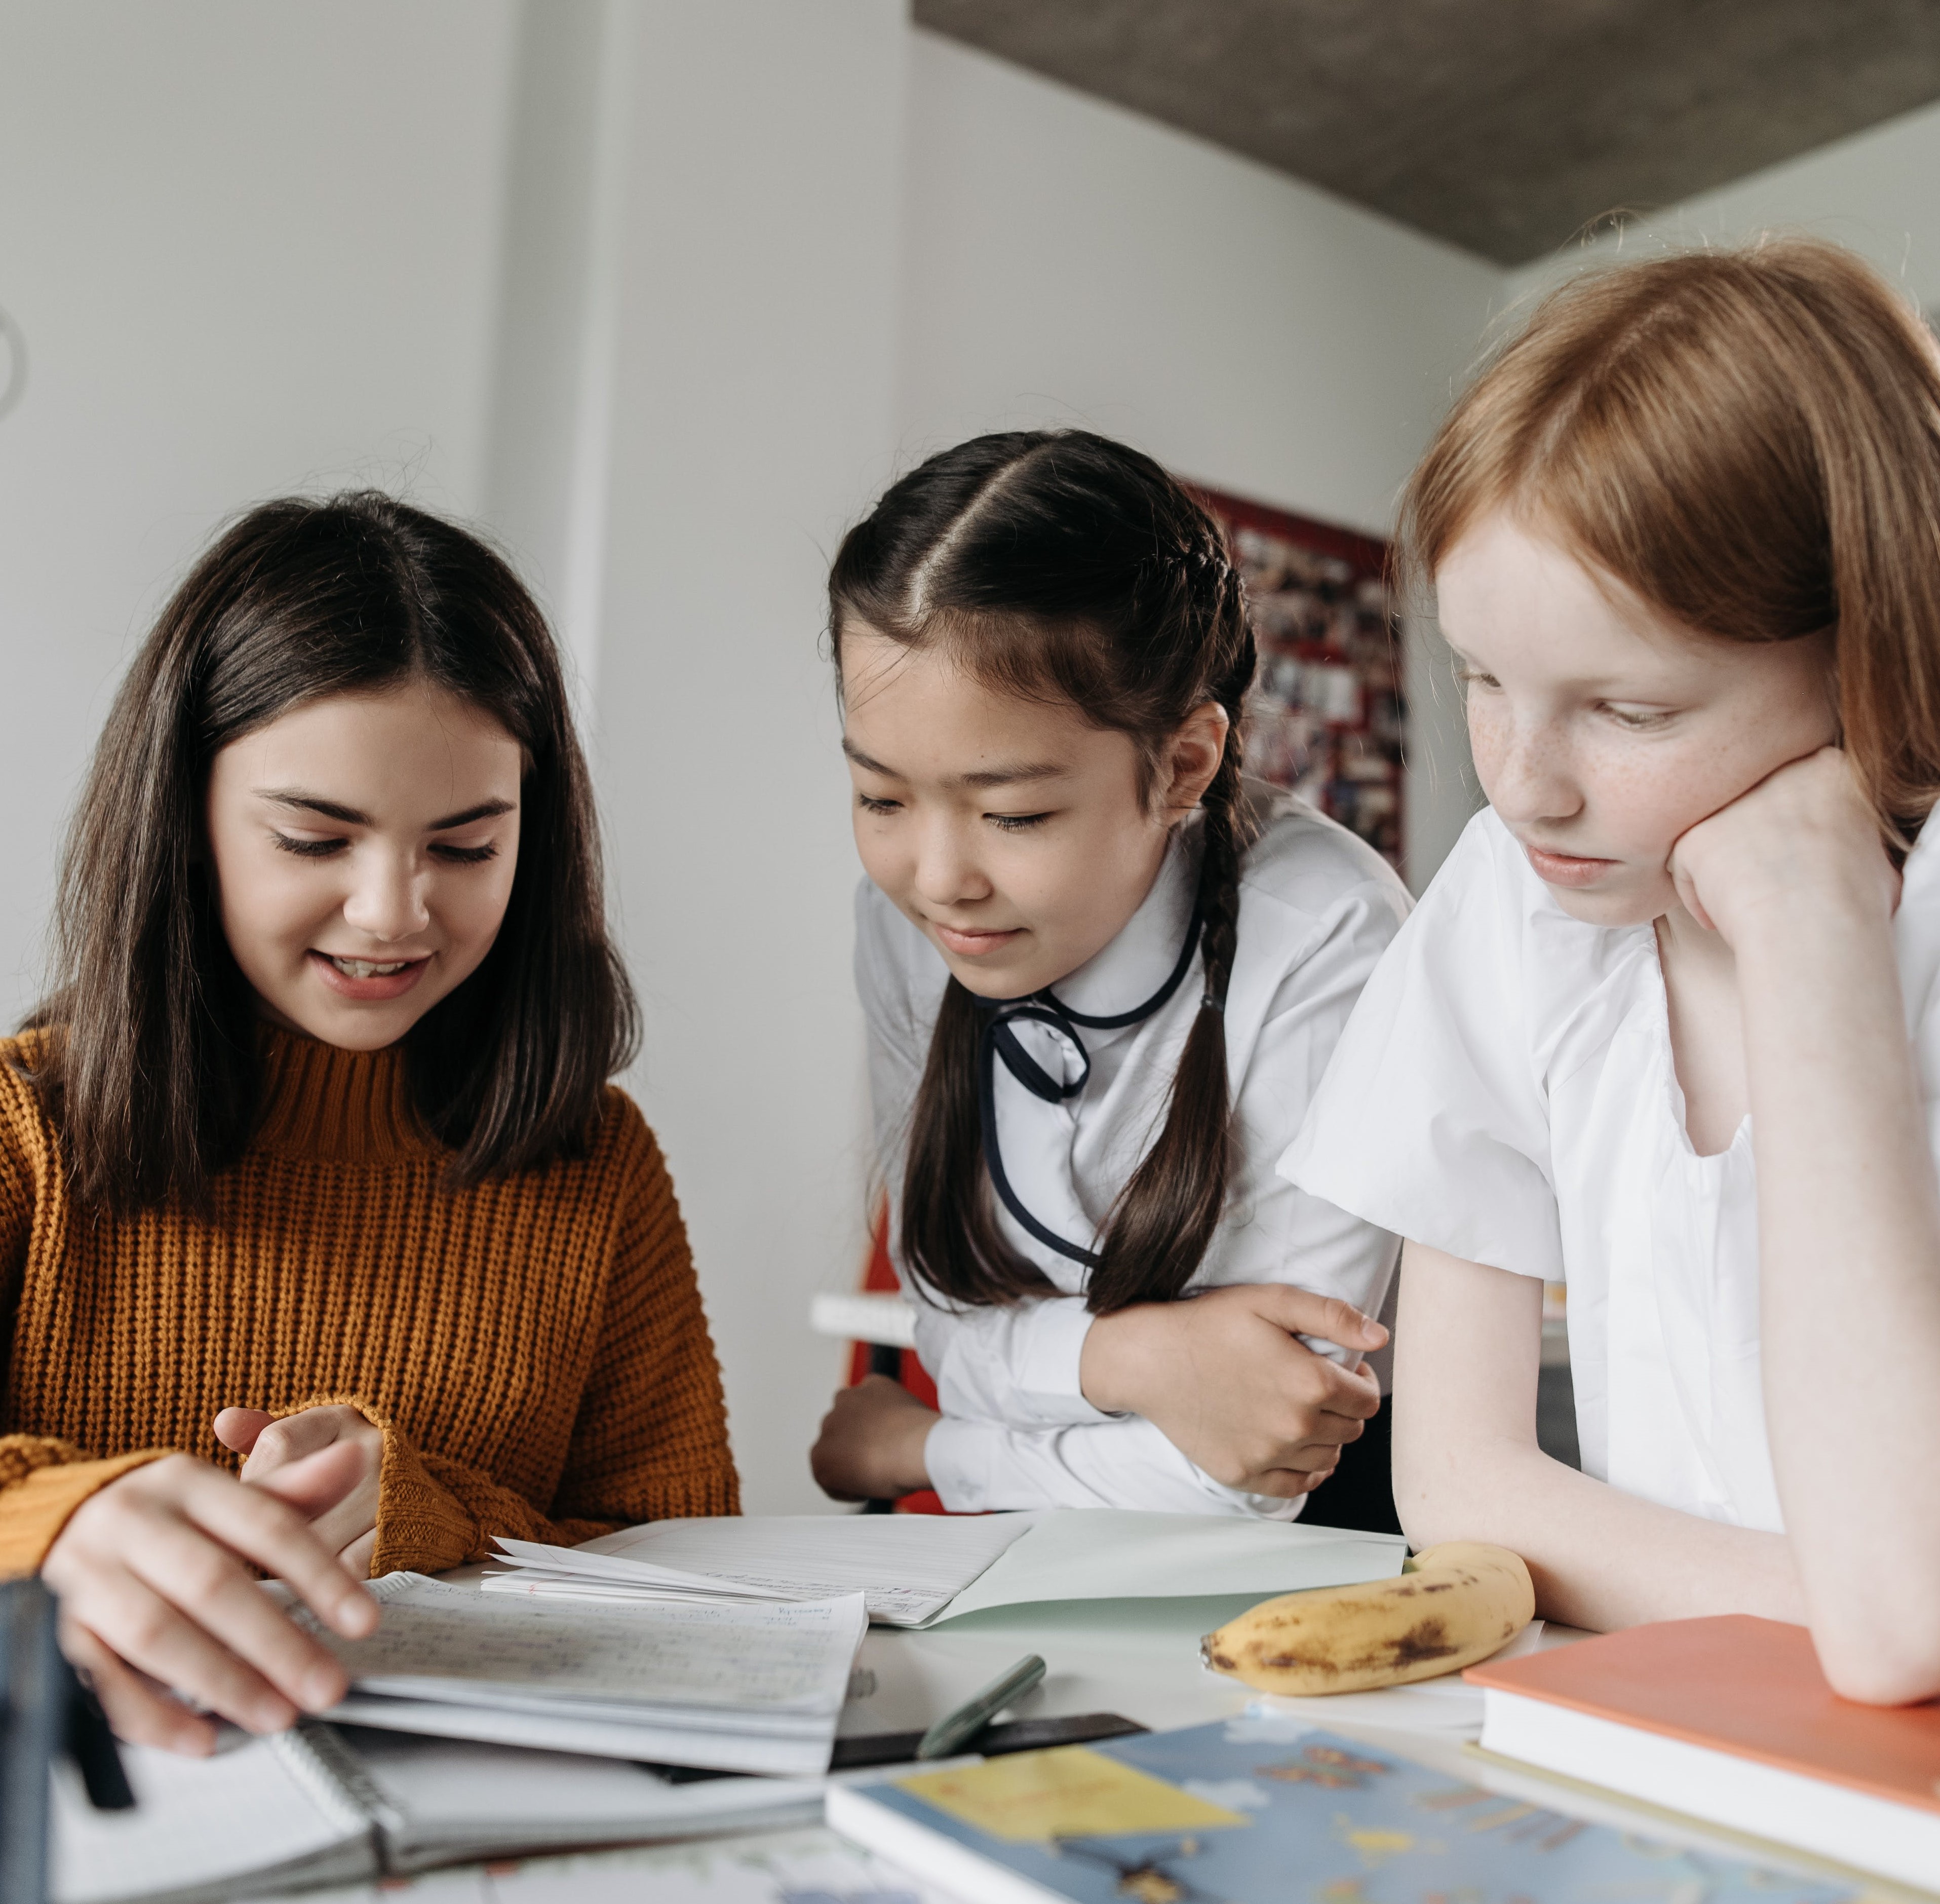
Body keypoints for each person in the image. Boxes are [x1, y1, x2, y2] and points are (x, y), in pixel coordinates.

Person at [1283, 239, 1940, 1703]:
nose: (1520, 786)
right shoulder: (1509, 911)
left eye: (1628, 709)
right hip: (1680, 1721)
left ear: (1873, 648)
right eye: (1484, 679)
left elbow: (1902, 1606)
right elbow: (1454, 1477)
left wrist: (1808, 929)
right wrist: (1823, 1605)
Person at [1, 493, 736, 1753]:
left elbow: (693, 1573)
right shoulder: (25, 1127)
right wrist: (55, 1517)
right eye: (313, 838)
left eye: (464, 846)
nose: (393, 913)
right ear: (186, 824)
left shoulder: (594, 1162)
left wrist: (435, 1510)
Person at [808, 430, 1409, 1520]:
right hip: (1016, 1560)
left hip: (1295, 1568)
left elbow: (1252, 1465)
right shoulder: (900, 927)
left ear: (1183, 765)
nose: (939, 881)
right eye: (881, 798)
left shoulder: (1330, 935)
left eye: (1014, 814)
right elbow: (946, 1313)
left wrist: (923, 1450)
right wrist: (1140, 1365)